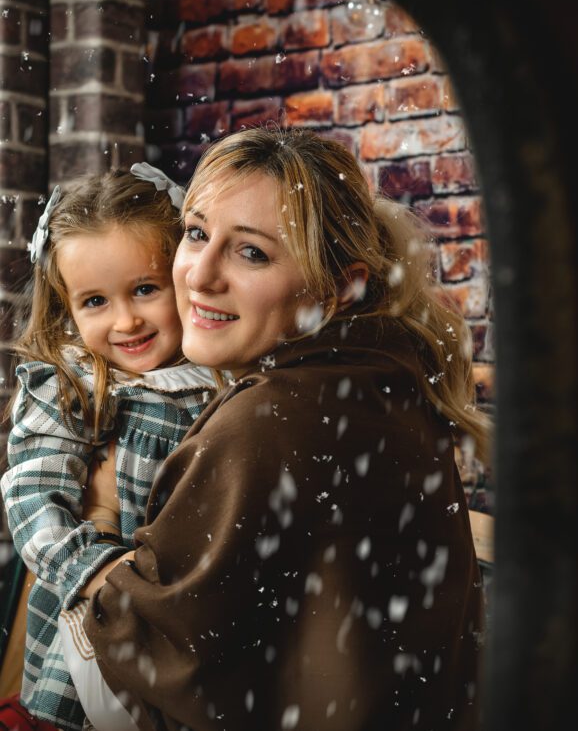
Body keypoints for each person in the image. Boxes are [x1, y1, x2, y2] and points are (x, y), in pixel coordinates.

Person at [82, 128, 490, 730]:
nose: (198, 275)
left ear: (340, 288)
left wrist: (97, 521)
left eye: (251, 252)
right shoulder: (377, 382)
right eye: (196, 234)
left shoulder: (269, 423)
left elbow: (135, 668)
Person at [0, 166, 219, 731]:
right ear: (65, 307)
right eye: (95, 301)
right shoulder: (76, 386)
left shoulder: (218, 378)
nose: (126, 320)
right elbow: (31, 495)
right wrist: (99, 572)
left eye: (146, 289)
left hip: (189, 618)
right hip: (94, 625)